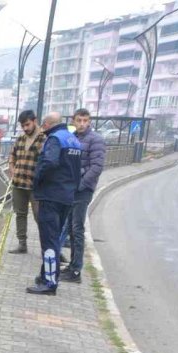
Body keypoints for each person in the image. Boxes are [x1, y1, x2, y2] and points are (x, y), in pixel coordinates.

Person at [29, 111, 82, 296]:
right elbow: (77, 170)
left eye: (43, 125)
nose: (42, 128)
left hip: (51, 195)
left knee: (48, 240)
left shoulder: (54, 139)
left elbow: (49, 163)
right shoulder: (73, 140)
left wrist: (37, 181)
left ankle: (49, 283)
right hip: (66, 197)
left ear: (48, 124)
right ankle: (46, 275)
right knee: (56, 238)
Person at [59, 108, 105, 283]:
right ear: (74, 121)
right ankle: (72, 265)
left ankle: (76, 271)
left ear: (90, 121)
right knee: (71, 227)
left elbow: (97, 167)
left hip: (82, 190)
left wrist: (80, 184)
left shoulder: (96, 140)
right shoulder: (74, 138)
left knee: (77, 229)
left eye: (85, 120)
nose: (82, 124)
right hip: (71, 189)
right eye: (79, 120)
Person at [8, 110, 46, 255]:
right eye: (23, 126)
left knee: (39, 216)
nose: (25, 128)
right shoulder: (21, 139)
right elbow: (12, 154)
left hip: (35, 186)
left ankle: (47, 247)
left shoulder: (45, 138)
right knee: (20, 214)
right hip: (18, 183)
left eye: (27, 125)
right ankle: (22, 244)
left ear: (34, 121)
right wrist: (11, 166)